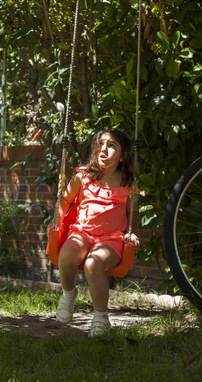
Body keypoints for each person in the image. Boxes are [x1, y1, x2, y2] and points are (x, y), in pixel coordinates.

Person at [48, 127, 139, 337]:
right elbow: (64, 200)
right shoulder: (83, 177)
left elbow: (133, 214)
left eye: (111, 145)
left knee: (93, 264)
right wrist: (56, 221)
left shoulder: (128, 185)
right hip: (82, 233)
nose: (103, 150)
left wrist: (133, 234)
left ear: (123, 156)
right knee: (66, 256)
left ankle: (100, 317)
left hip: (112, 239)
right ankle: (69, 295)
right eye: (101, 144)